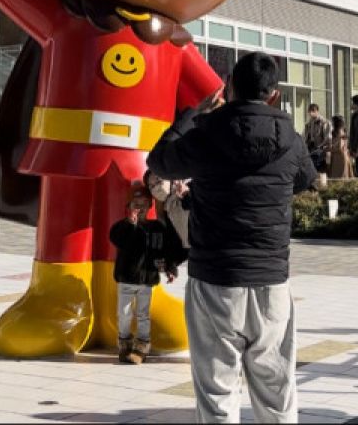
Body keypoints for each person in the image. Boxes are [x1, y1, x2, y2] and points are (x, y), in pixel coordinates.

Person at [147, 51, 316, 423]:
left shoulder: (207, 133)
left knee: (218, 391)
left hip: (216, 280)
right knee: (277, 391)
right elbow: (305, 179)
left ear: (229, 87)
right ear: (273, 95)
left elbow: (158, 161)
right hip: (272, 280)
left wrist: (192, 115)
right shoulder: (292, 138)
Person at [109, 184, 183, 365]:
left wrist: (169, 268)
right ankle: (124, 343)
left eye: (144, 203)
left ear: (150, 205)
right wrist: (130, 224)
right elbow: (116, 238)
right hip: (126, 279)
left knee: (143, 314)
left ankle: (142, 346)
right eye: (136, 204)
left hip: (146, 280)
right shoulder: (123, 227)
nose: (140, 208)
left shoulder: (157, 228)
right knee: (124, 313)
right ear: (129, 206)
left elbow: (163, 251)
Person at [144, 168, 190, 254]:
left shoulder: (188, 186)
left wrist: (186, 195)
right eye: (152, 186)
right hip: (196, 252)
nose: (156, 188)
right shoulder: (167, 209)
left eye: (158, 181)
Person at [302, 104, 332, 175]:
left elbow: (328, 137)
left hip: (320, 149)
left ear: (317, 111)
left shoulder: (324, 122)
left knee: (320, 169)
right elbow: (306, 135)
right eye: (310, 111)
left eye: (313, 111)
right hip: (311, 148)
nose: (311, 113)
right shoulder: (309, 123)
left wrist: (321, 147)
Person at [326, 115, 354, 180]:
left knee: (339, 178)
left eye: (332, 122)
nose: (331, 123)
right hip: (339, 157)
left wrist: (327, 149)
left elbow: (339, 147)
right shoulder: (340, 131)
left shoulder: (340, 132)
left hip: (340, 158)